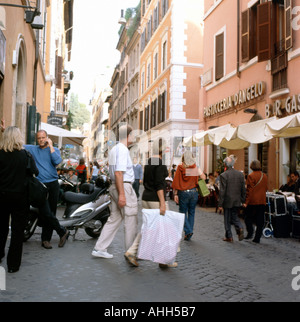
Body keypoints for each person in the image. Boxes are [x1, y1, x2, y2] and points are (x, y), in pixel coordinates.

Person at [125, 138, 178, 268]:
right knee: (166, 229)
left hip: (145, 198)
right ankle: (163, 259)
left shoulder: (149, 162)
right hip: (155, 199)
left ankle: (135, 252)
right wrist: (163, 203)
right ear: (162, 149)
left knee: (149, 228)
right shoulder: (160, 163)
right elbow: (160, 185)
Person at [92, 124, 138, 259]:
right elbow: (119, 173)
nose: (134, 137)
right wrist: (122, 194)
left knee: (114, 218)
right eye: (133, 134)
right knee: (130, 218)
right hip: (123, 186)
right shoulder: (123, 150)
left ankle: (99, 248)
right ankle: (131, 252)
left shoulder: (114, 150)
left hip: (114, 186)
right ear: (128, 136)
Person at [0, 126, 39, 273]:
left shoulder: (0, 154)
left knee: (1, 228)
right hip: (20, 197)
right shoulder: (25, 155)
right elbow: (35, 172)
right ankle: (13, 265)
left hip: (2, 196)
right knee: (17, 232)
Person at [25, 130, 69, 249]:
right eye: (39, 138)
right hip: (40, 186)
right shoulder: (33, 149)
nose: (41, 140)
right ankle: (62, 231)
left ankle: (46, 240)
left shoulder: (54, 150)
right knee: (45, 212)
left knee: (52, 212)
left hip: (53, 184)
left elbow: (57, 162)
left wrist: (50, 146)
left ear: (47, 138)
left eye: (43, 138)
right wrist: (3, 131)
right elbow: (16, 143)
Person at [172, 150, 206, 241]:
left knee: (182, 212)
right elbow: (203, 177)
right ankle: (189, 233)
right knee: (191, 212)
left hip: (183, 193)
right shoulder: (195, 167)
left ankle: (188, 231)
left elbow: (177, 180)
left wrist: (175, 194)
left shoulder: (180, 167)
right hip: (194, 192)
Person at [218, 156, 246, 242]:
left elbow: (222, 191)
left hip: (227, 200)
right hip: (237, 200)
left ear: (224, 164)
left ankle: (229, 236)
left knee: (227, 219)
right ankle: (239, 227)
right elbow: (243, 189)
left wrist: (220, 204)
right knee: (234, 216)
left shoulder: (223, 175)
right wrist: (243, 200)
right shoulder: (240, 175)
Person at [243, 160, 268, 244]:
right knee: (260, 220)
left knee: (247, 217)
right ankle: (257, 238)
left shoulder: (250, 176)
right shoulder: (264, 176)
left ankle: (250, 232)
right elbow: (266, 188)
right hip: (262, 200)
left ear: (251, 166)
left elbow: (249, 190)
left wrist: (246, 202)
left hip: (253, 201)